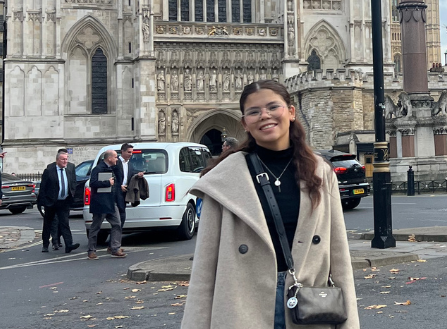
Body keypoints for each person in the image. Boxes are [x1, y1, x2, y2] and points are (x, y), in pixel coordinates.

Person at [182, 80, 359, 329]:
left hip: (307, 307)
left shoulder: (320, 173)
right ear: (244, 123)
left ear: (291, 112)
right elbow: (204, 271)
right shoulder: (223, 179)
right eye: (254, 111)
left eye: (272, 107)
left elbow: (339, 258)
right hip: (242, 306)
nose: (264, 116)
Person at [38, 149, 80, 254]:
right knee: (48, 224)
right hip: (51, 201)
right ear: (57, 160)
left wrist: (72, 193)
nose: (65, 161)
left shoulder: (70, 167)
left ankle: (69, 245)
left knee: (65, 223)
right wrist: (42, 202)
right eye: (63, 159)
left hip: (64, 201)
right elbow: (43, 186)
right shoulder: (49, 169)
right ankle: (45, 245)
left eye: (66, 159)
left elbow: (73, 181)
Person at [87, 150, 125, 259]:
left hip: (111, 202)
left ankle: (115, 248)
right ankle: (91, 250)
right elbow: (92, 183)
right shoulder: (98, 169)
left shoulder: (113, 168)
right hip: (100, 203)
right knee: (96, 227)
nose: (117, 159)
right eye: (115, 157)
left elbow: (117, 183)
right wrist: (107, 183)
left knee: (117, 224)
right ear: (109, 158)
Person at [116, 143, 145, 227]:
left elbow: (131, 173)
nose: (131, 154)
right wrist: (119, 186)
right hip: (116, 192)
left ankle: (118, 232)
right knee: (119, 212)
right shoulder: (116, 162)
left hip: (124, 192)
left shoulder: (129, 164)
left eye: (131, 152)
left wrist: (138, 174)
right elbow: (112, 175)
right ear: (122, 151)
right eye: (129, 152)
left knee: (122, 212)